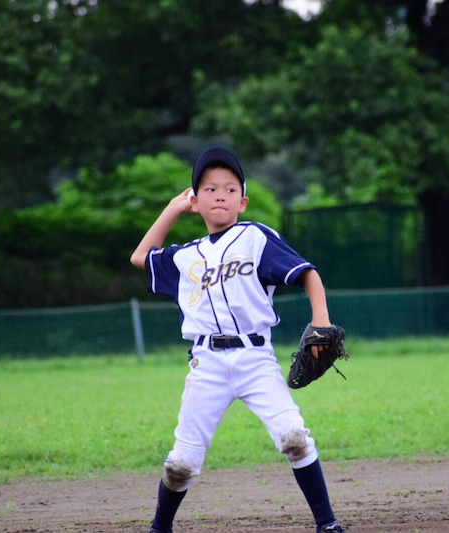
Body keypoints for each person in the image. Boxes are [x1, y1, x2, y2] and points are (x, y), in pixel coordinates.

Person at [130, 147, 348, 533]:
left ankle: (327, 524)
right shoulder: (185, 258)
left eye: (230, 189)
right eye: (209, 189)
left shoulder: (255, 238)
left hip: (255, 358)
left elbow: (307, 274)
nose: (220, 195)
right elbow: (141, 256)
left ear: (242, 201)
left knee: (294, 438)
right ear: (196, 201)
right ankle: (159, 528)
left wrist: (321, 321)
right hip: (205, 364)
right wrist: (172, 209)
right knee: (181, 465)